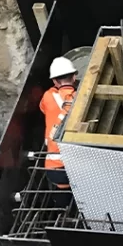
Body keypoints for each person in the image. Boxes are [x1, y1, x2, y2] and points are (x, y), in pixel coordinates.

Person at [39, 56, 79, 190]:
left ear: (54, 81)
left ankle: (63, 208)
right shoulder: (80, 98)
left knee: (65, 194)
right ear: (74, 78)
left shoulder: (48, 96)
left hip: (53, 169)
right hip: (77, 166)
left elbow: (43, 108)